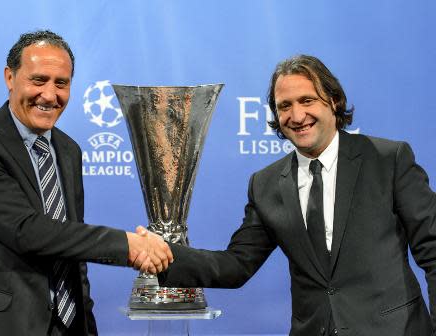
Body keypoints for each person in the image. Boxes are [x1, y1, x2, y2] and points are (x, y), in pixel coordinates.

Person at [150, 55, 436, 335]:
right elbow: (236, 264)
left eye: (307, 100)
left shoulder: (388, 160)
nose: (297, 116)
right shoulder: (266, 184)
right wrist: (160, 255)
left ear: (334, 101)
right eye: (284, 106)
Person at [0, 30, 172, 336]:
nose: (49, 95)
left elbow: (70, 248)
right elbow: (26, 230)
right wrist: (127, 245)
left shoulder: (68, 150)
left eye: (61, 83)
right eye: (38, 80)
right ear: (10, 77)